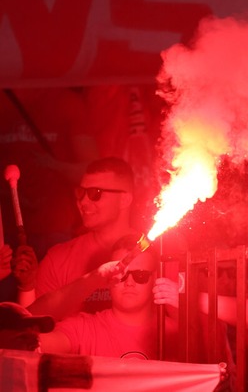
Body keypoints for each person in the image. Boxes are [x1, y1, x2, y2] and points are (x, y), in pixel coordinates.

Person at [0, 87, 99, 304]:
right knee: (8, 315)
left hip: (56, 230)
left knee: (50, 307)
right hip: (6, 241)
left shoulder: (66, 102)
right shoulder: (3, 100)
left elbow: (94, 171)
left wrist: (53, 166)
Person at [26, 156, 139, 318]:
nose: (83, 201)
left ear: (124, 199)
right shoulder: (58, 259)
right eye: (81, 192)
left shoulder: (156, 253)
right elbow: (32, 324)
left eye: (95, 193)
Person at [38, 234, 178, 361]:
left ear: (154, 278)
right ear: (109, 278)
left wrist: (187, 308)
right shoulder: (85, 329)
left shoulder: (175, 332)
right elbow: (31, 346)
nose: (129, 283)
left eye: (140, 275)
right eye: (121, 274)